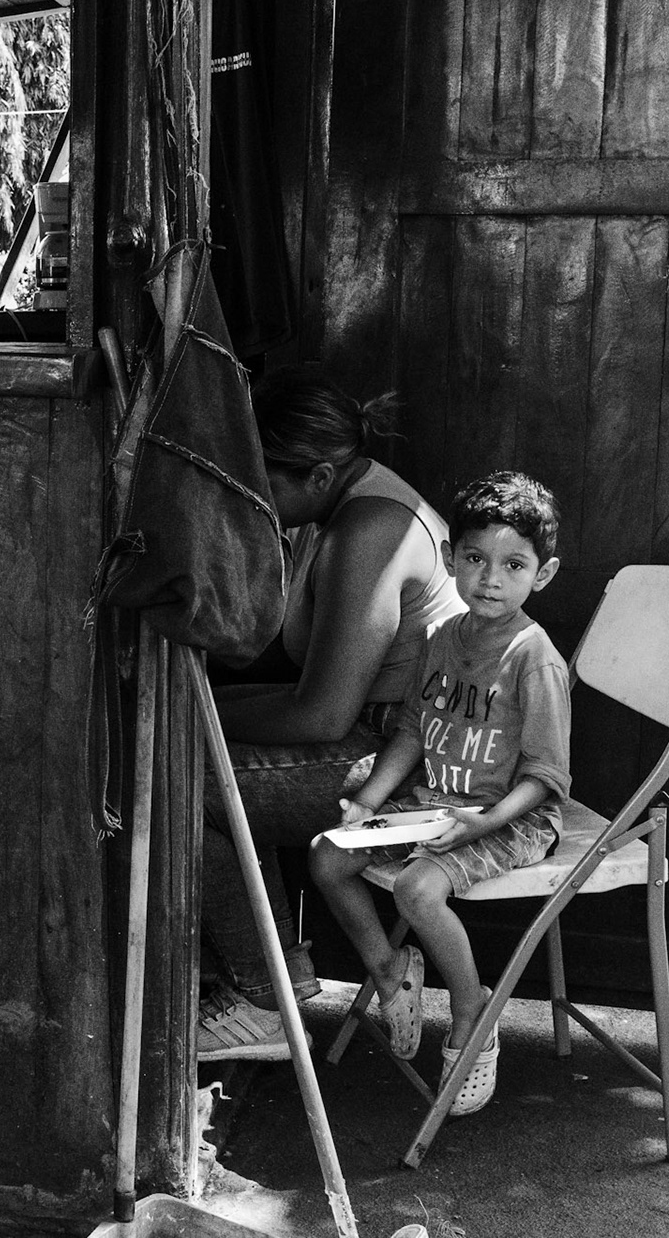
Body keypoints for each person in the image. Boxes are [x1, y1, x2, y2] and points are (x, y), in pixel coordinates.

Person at [194, 367, 466, 1063]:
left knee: (182, 786)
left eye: (264, 483)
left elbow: (319, 715)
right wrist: (186, 711)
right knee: (177, 739)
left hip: (422, 770)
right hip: (378, 735)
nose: (251, 499)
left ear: (317, 474)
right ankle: (274, 980)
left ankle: (263, 1000)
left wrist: (194, 722)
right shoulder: (335, 508)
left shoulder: (370, 529)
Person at [309, 471, 571, 1116]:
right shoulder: (441, 638)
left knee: (417, 888)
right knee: (327, 855)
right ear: (452, 555)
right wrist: (370, 802)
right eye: (476, 559)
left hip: (512, 814)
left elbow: (547, 779)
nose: (491, 578)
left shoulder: (533, 659)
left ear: (543, 574)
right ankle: (389, 970)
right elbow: (412, 730)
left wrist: (479, 827)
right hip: (435, 801)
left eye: (514, 564)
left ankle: (471, 1016)